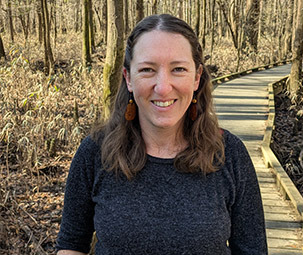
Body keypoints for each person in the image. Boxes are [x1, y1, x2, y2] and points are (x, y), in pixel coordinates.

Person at [56, 14, 268, 255]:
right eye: (147, 69)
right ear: (128, 78)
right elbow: (71, 246)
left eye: (178, 69)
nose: (163, 87)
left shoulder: (229, 154)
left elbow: (252, 249)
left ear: (197, 77)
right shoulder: (95, 152)